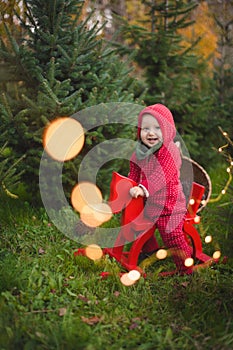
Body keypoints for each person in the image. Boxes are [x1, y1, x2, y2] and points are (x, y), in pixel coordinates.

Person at [128, 103, 193, 274]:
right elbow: (134, 170)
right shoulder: (140, 152)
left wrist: (142, 188)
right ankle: (150, 251)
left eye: (157, 128)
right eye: (145, 128)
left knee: (171, 233)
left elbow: (160, 176)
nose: (150, 133)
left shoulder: (169, 152)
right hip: (150, 203)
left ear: (167, 130)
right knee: (139, 226)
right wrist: (129, 184)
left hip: (169, 205)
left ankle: (185, 267)